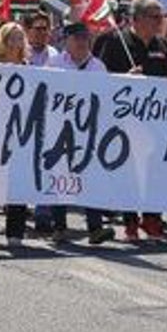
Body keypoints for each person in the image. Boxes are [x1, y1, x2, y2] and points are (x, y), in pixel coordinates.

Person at [94, 0, 167, 241]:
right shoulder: (114, 40)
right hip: (123, 119)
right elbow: (99, 77)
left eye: (161, 16)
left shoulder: (161, 45)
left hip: (154, 120)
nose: (160, 21)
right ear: (137, 19)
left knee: (156, 168)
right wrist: (125, 78)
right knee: (128, 169)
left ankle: (152, 218)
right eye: (154, 17)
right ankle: (129, 221)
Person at [41, 22, 116, 245]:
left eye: (86, 37)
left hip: (88, 131)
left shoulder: (98, 66)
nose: (83, 42)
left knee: (90, 178)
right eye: (77, 38)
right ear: (66, 41)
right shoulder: (53, 64)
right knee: (61, 178)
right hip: (59, 130)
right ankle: (60, 227)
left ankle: (95, 228)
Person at [0, 22, 29, 247]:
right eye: (12, 38)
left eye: (20, 38)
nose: (16, 42)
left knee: (18, 180)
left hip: (21, 131)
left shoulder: (29, 67)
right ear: (3, 40)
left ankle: (15, 232)